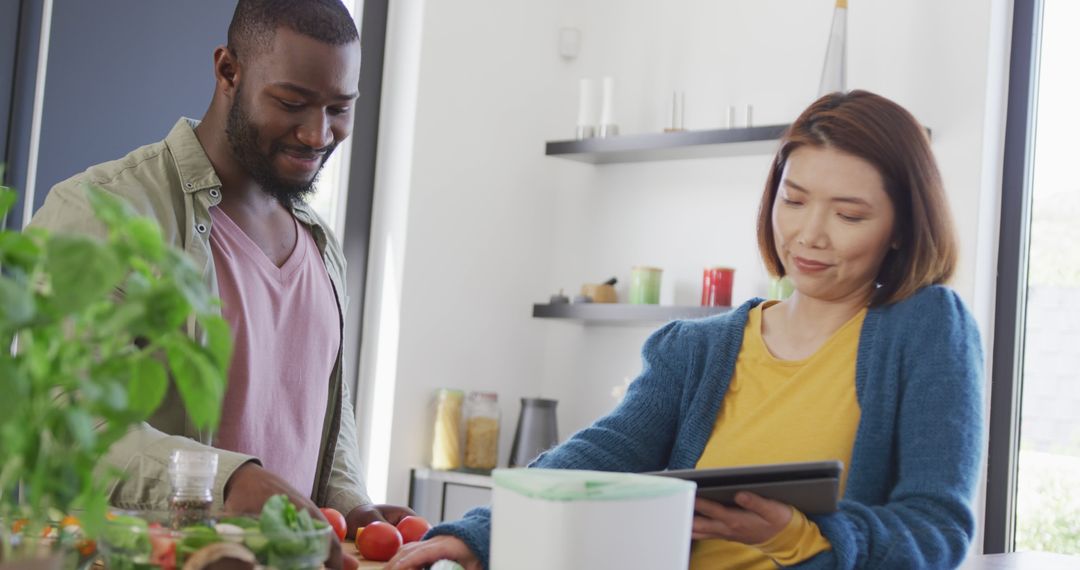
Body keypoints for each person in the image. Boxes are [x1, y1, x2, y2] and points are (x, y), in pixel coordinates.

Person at [385, 90, 984, 570]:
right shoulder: (699, 347)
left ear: (904, 227)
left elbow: (936, 529)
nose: (810, 235)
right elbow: (601, 455)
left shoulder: (927, 327)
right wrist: (481, 533)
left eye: (849, 214)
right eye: (794, 200)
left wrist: (799, 537)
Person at [29, 1, 411, 567]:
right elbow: (66, 422)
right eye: (291, 102)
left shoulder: (323, 249)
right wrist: (229, 483)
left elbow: (324, 410)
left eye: (339, 108)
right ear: (228, 71)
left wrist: (348, 504)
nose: (316, 132)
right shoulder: (99, 212)